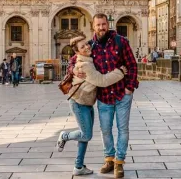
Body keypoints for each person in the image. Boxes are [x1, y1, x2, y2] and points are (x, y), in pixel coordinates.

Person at [68, 13, 138, 178]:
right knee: (105, 130)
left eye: (104, 24)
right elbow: (74, 60)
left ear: (108, 24)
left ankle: (119, 162)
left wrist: (130, 88)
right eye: (98, 25)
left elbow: (132, 65)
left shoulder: (121, 42)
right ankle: (109, 159)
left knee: (123, 129)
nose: (101, 27)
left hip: (122, 94)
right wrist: (73, 69)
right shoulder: (90, 46)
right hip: (104, 96)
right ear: (93, 26)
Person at [57, 36, 128, 176]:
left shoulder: (88, 58)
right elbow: (101, 80)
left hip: (87, 102)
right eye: (82, 47)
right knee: (86, 134)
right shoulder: (84, 65)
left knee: (84, 136)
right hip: (79, 102)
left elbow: (74, 62)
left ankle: (78, 166)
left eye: (87, 44)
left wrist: (72, 68)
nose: (87, 47)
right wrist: (120, 72)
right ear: (77, 52)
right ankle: (64, 136)